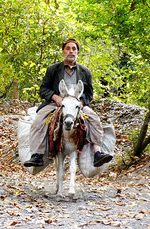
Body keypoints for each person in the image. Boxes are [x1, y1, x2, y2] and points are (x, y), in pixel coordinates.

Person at [24, 38, 113, 168]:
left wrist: (82, 102)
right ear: (63, 51)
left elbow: (89, 93)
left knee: (94, 118)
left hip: (77, 105)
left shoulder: (85, 71)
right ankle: (37, 155)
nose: (71, 51)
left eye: (74, 49)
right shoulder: (53, 69)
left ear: (78, 52)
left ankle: (97, 152)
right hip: (56, 104)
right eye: (68, 48)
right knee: (39, 120)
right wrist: (55, 97)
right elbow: (43, 89)